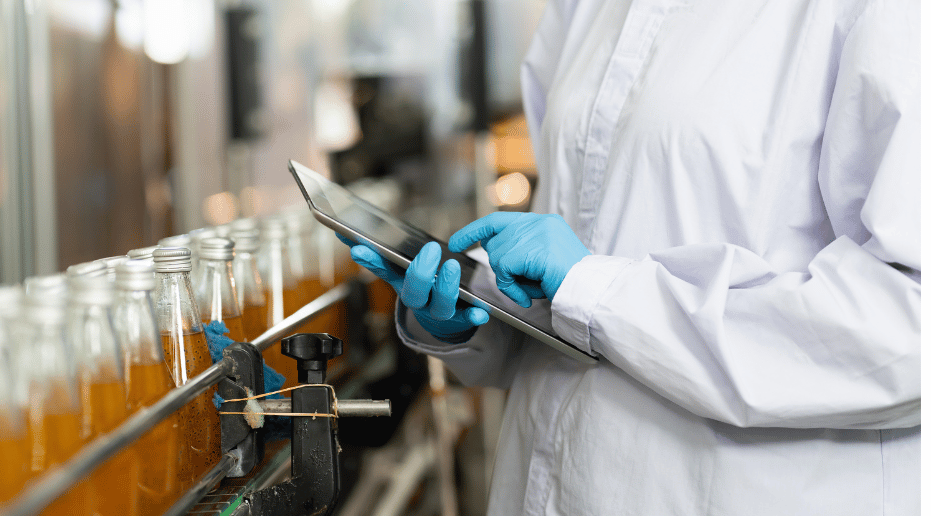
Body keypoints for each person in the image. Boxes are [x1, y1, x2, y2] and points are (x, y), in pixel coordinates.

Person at [342, 0, 920, 514]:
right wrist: (473, 314)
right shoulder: (587, 10)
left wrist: (595, 291)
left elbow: (908, 333)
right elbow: (568, 282)